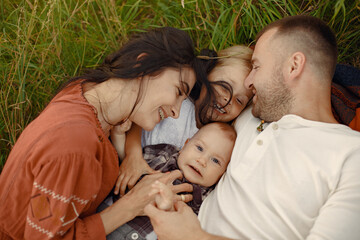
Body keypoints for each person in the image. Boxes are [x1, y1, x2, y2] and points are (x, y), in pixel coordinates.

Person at [144, 15, 360, 240]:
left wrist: (194, 236)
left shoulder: (351, 157)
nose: (248, 82)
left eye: (257, 66)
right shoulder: (247, 115)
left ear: (293, 66)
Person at [0, 27, 214, 239]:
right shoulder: (75, 146)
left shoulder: (87, 92)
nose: (176, 112)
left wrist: (130, 153)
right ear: (143, 65)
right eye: (178, 91)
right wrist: (130, 206)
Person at [114, 45, 254, 196]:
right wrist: (132, 155)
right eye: (225, 86)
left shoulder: (221, 140)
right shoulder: (179, 101)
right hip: (127, 158)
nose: (228, 99)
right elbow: (138, 121)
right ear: (209, 72)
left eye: (239, 100)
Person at [102, 122, 236, 239]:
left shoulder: (206, 197)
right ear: (185, 145)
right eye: (199, 148)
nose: (202, 161)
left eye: (215, 161)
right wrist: (119, 136)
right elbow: (132, 166)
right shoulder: (165, 154)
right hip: (109, 216)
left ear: (222, 174)